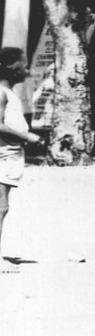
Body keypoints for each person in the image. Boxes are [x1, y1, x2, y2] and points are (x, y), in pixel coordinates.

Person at [0, 46, 43, 273]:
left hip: (11, 155)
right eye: (23, 65)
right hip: (3, 157)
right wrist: (28, 136)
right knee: (1, 206)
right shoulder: (1, 92)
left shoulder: (10, 93)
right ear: (11, 67)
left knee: (3, 206)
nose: (26, 69)